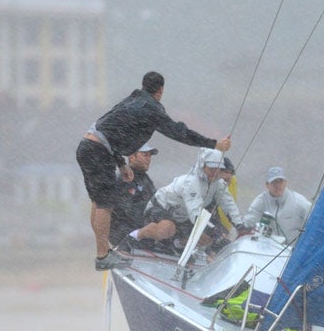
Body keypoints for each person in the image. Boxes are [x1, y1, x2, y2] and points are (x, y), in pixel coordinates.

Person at [76, 70, 230, 270]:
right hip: (99, 151)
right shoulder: (152, 109)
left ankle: (104, 252)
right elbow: (179, 133)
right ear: (160, 90)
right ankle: (103, 255)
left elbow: (107, 128)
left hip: (87, 145)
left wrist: (121, 164)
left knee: (98, 203)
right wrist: (214, 145)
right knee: (105, 205)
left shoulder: (132, 99)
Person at [137, 147, 246, 252]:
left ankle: (175, 245)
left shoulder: (219, 184)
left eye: (218, 168)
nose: (214, 172)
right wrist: (213, 230)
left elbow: (229, 205)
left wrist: (240, 226)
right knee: (168, 228)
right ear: (202, 166)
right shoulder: (191, 183)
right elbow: (196, 214)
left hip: (182, 217)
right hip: (159, 208)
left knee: (207, 237)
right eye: (211, 168)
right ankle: (133, 236)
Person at [244, 166, 312, 244]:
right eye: (274, 182)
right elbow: (249, 222)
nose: (277, 185)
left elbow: (314, 220)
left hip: (293, 251)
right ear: (267, 184)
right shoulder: (261, 201)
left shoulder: (299, 201)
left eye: (280, 181)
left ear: (286, 183)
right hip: (269, 250)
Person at [108, 142, 158, 247]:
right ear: (132, 156)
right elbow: (124, 211)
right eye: (145, 155)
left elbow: (154, 202)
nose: (148, 159)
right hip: (123, 233)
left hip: (141, 230)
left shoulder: (145, 179)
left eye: (150, 156)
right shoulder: (124, 179)